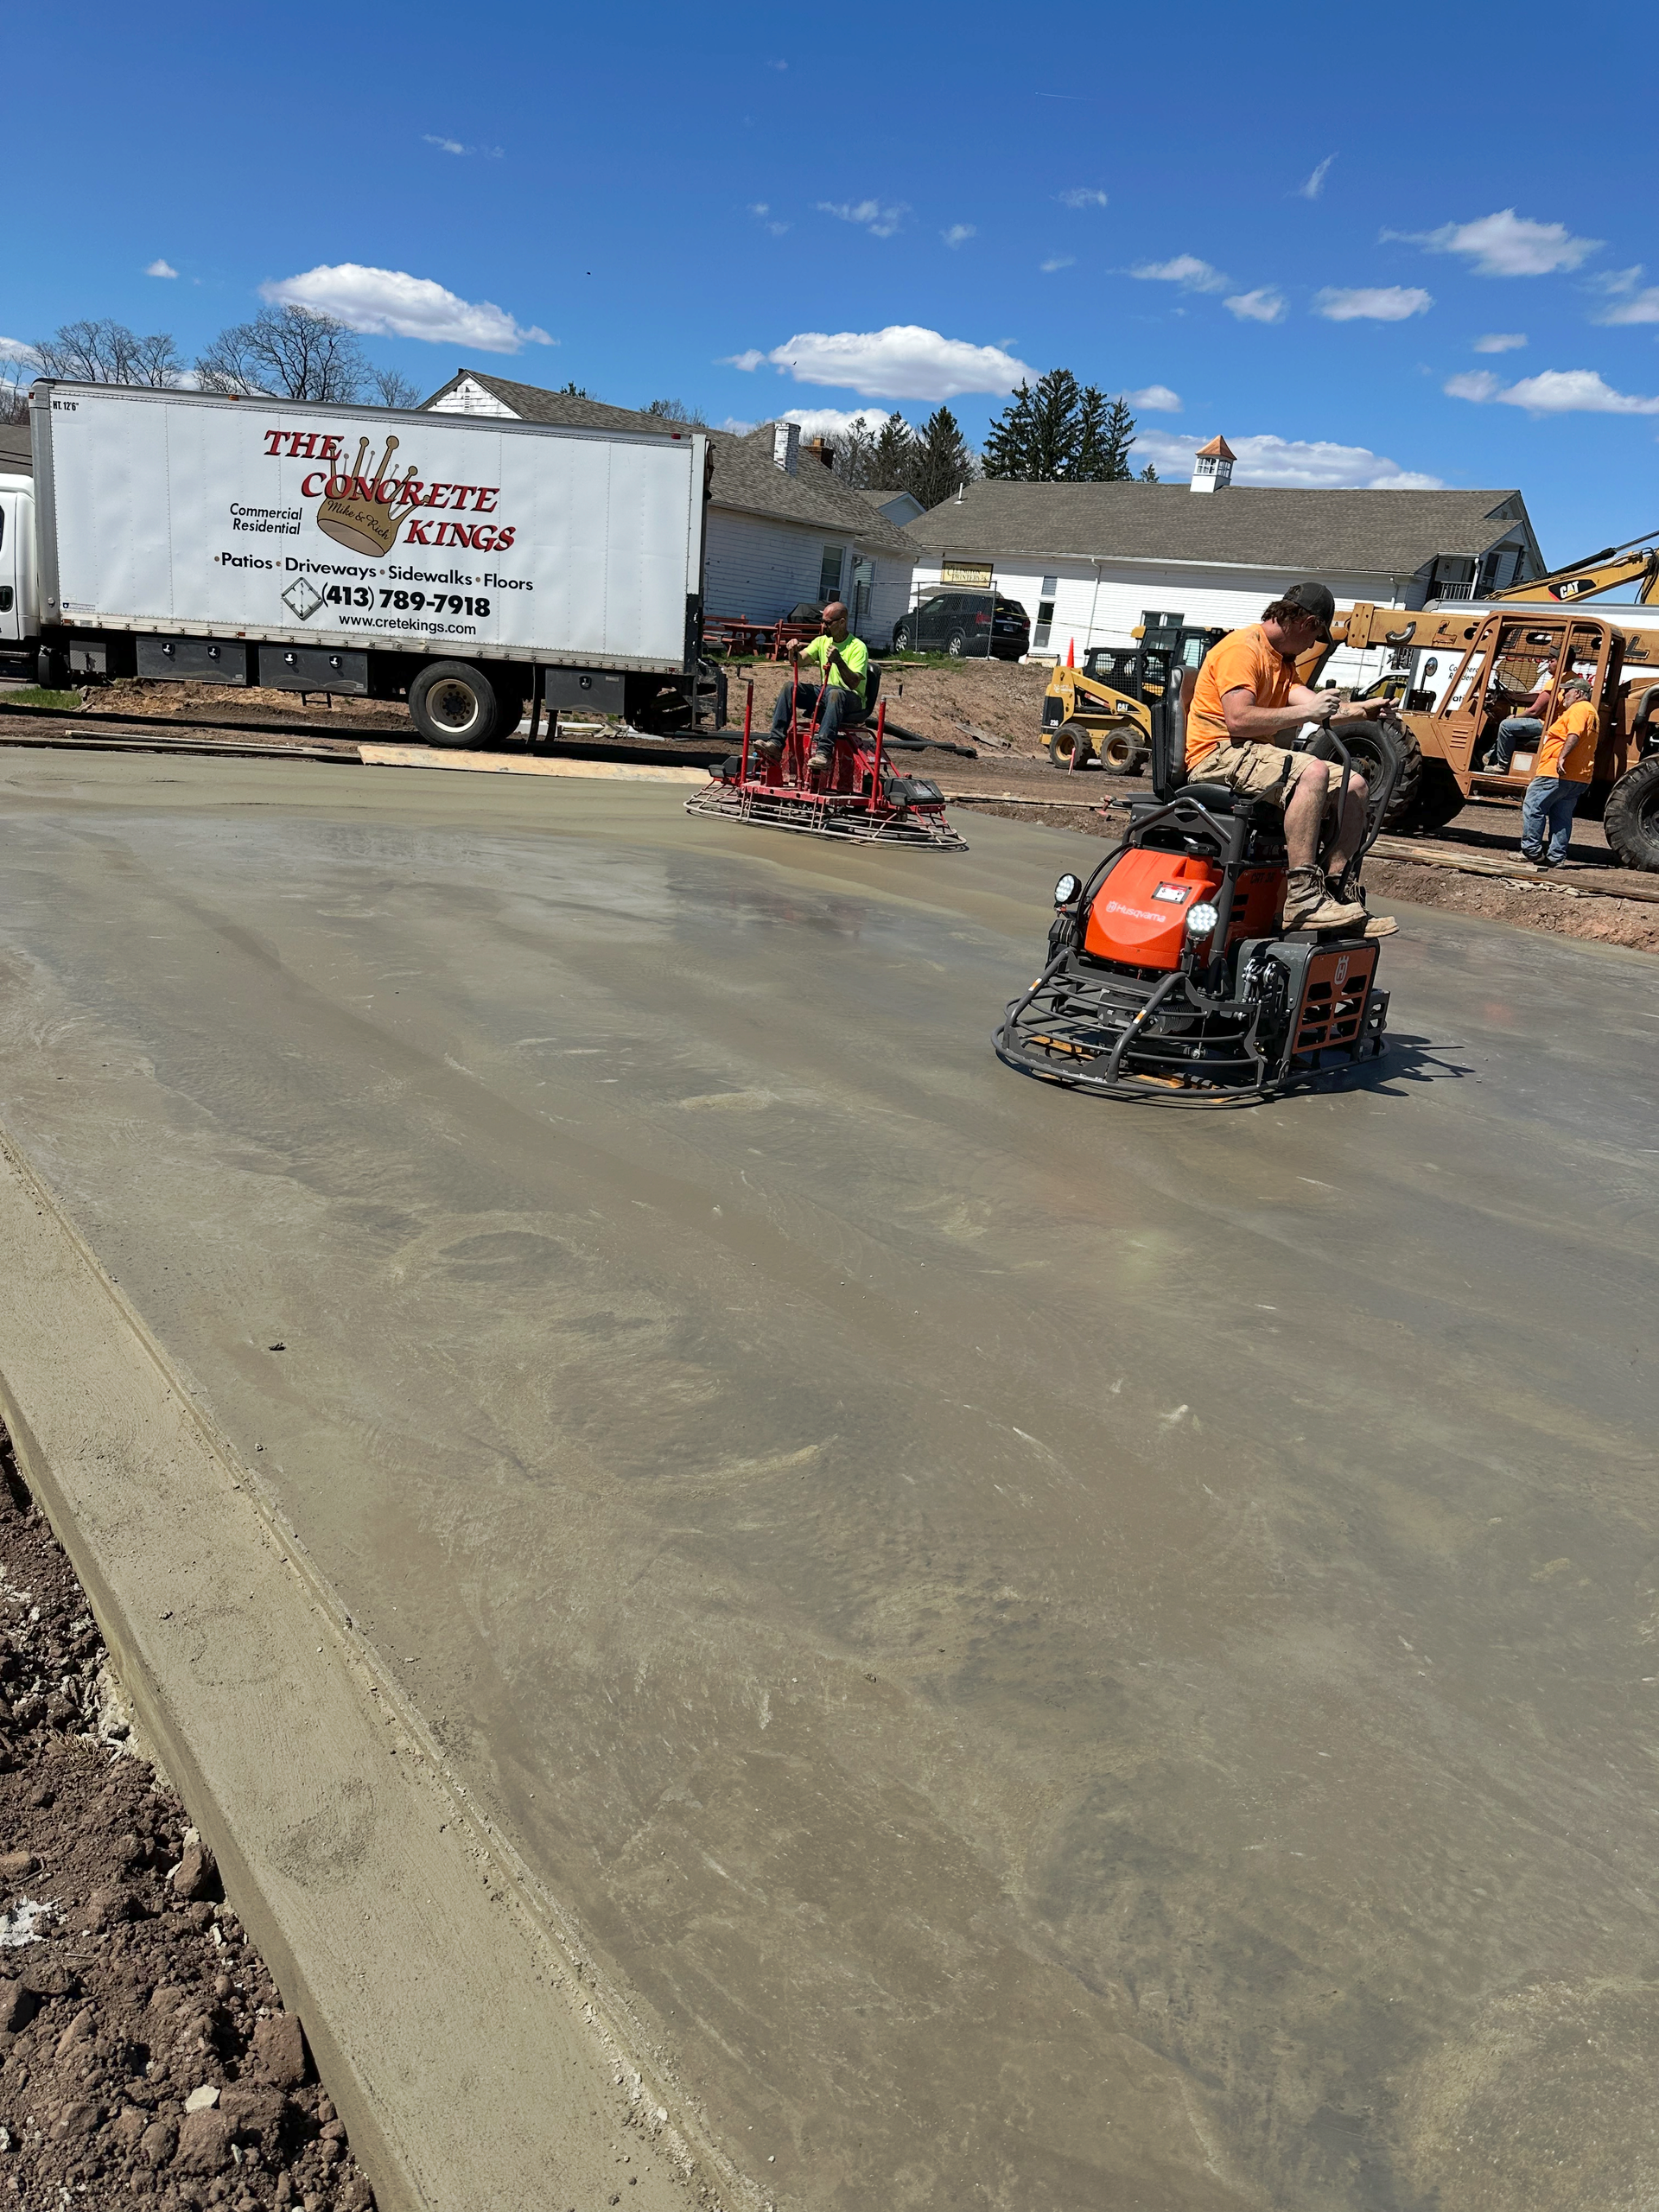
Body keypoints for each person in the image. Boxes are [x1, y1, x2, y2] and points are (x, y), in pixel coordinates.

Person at [1184, 582, 1395, 937]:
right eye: (1316, 636)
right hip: (1217, 754)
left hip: (1252, 754)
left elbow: (1315, 706)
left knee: (1354, 783)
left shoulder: (1281, 661)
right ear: (1306, 622)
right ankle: (1301, 897)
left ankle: (1335, 894)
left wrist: (1363, 709)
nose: (1313, 645)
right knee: (1311, 772)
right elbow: (1238, 719)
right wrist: (1307, 713)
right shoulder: (1242, 649)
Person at [758, 603, 868, 771]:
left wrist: (838, 661)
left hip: (852, 697)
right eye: (822, 621)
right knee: (790, 688)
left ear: (842, 622)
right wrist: (792, 651)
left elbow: (853, 683)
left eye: (828, 623)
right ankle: (775, 743)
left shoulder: (858, 647)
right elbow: (799, 661)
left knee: (835, 693)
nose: (823, 626)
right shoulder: (822, 642)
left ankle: (824, 753)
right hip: (828, 692)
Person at [1518, 678, 1598, 869]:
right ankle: (1556, 857)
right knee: (1561, 816)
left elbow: (1574, 734)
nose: (1563, 695)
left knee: (1533, 806)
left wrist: (1561, 757)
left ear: (1578, 693)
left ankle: (1532, 851)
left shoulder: (1578, 710)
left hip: (1556, 772)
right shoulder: (1592, 712)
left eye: (1567, 691)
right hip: (1578, 776)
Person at [1485, 661, 1556, 773]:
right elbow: (1540, 695)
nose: (1549, 663)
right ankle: (1491, 755)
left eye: (1552, 661)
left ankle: (1502, 765)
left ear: (1561, 661)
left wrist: (1515, 716)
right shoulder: (1563, 679)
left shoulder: (1555, 682)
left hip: (1546, 723)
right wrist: (1517, 696)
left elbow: (1534, 711)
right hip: (1550, 721)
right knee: (1511, 724)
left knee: (1506, 725)